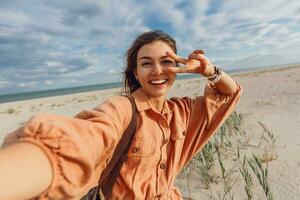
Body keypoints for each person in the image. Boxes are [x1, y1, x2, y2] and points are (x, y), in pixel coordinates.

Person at [0, 30, 242, 200]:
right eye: (146, 63)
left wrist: (209, 71)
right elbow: (81, 140)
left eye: (167, 61)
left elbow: (229, 93)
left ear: (178, 67)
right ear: (136, 73)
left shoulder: (183, 111)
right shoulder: (122, 109)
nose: (158, 70)